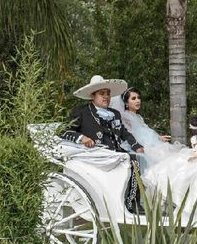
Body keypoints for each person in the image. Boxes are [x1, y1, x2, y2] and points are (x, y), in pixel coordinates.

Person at [62, 75, 144, 212]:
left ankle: (132, 202)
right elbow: (64, 131)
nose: (106, 97)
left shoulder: (114, 113)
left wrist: (137, 146)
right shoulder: (82, 112)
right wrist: (82, 138)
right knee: (133, 161)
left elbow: (123, 132)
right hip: (96, 154)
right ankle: (131, 204)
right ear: (92, 96)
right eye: (102, 94)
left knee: (137, 158)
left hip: (115, 152)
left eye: (108, 93)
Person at [110, 87, 182, 169]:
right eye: (133, 98)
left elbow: (146, 131)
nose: (137, 101)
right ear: (126, 103)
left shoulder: (138, 117)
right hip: (141, 144)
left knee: (171, 156)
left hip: (150, 143)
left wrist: (158, 138)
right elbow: (129, 133)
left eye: (138, 98)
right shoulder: (125, 117)